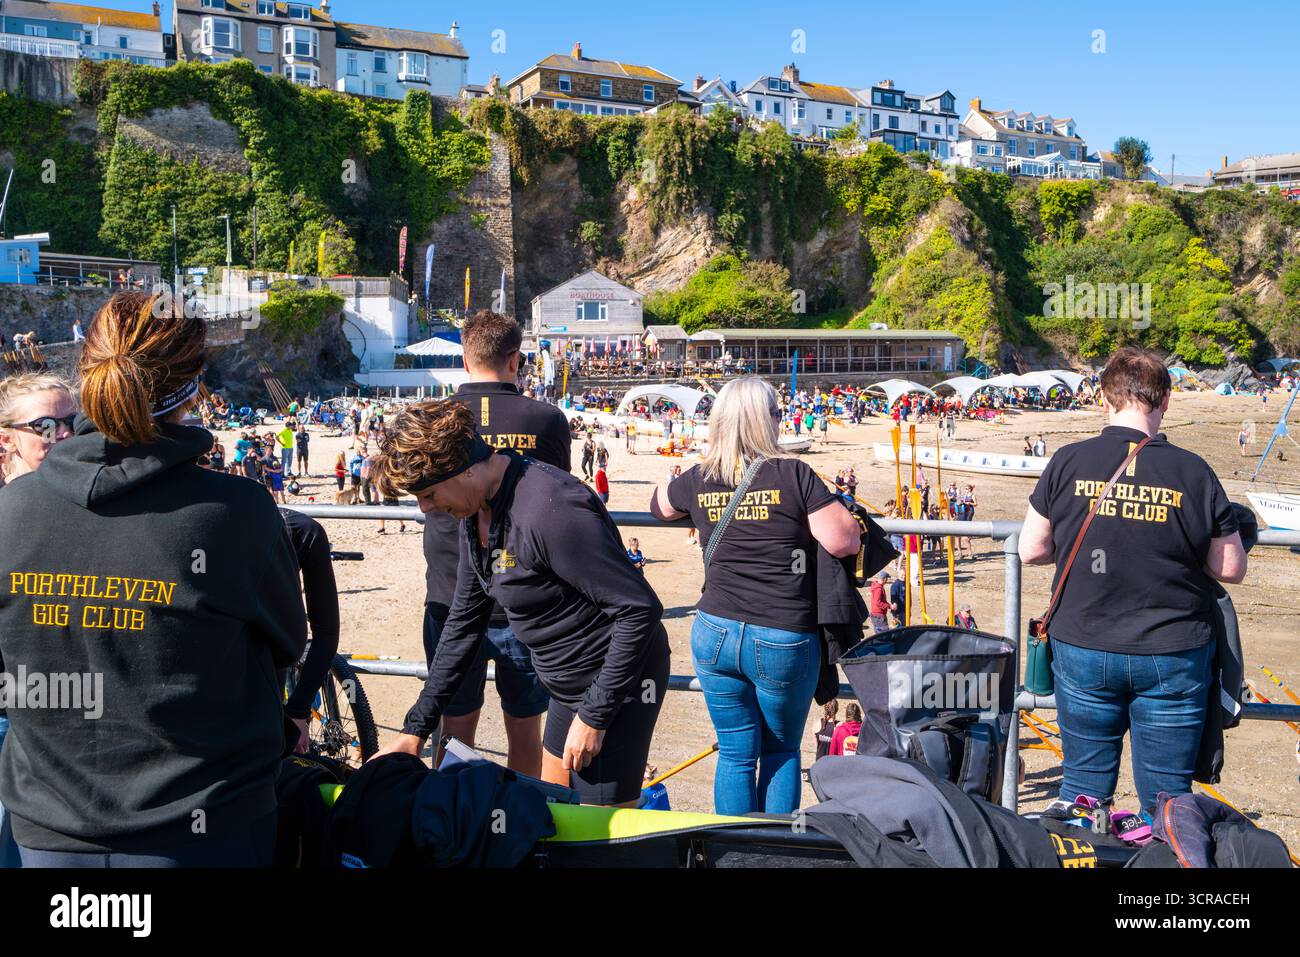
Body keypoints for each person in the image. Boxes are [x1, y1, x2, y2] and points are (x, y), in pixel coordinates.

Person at [0, 292, 306, 866]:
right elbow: (287, 640)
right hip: (202, 823)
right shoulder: (234, 511)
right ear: (193, 388)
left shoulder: (12, 510)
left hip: (50, 827)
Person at [373, 401, 669, 806]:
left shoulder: (551, 509)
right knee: (551, 812)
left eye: (428, 494)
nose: (425, 508)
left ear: (466, 468)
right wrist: (416, 729)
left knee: (601, 836)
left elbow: (640, 609)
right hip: (566, 686)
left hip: (618, 683)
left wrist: (595, 716)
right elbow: (462, 624)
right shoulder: (477, 509)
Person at [1018, 347, 1246, 813]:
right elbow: (1230, 568)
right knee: (1168, 802)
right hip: (1172, 649)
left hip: (1084, 642)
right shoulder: (1193, 471)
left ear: (1105, 398)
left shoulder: (1067, 461)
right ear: (1165, 401)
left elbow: (1031, 550)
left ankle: (1082, 854)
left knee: (1081, 790)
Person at [650, 377, 861, 815]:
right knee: (780, 751)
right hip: (781, 632)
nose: (782, 422)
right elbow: (843, 541)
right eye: (778, 414)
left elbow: (659, 506)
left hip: (715, 630)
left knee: (735, 752)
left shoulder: (700, 476)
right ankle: (770, 853)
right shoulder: (792, 473)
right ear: (764, 422)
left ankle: (731, 851)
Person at [417, 311, 571, 777]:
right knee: (524, 731)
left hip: (449, 588)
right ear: (515, 361)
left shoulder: (434, 422)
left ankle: (449, 824)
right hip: (523, 594)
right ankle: (514, 829)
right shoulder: (545, 419)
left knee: (454, 727)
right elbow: (558, 499)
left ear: (465, 360)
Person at [0, 373, 78, 867]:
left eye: (73, 422)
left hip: (71, 712)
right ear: (6, 439)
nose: (64, 435)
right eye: (45, 425)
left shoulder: (84, 508)